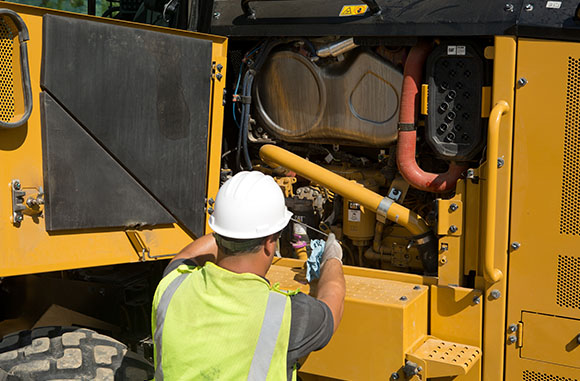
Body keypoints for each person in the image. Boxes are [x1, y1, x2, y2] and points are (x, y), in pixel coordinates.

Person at [151, 171, 346, 380]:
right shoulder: (286, 315)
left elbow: (187, 255)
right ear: (270, 243)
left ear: (217, 234)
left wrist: (231, 230)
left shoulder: (172, 286)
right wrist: (332, 255)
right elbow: (333, 298)